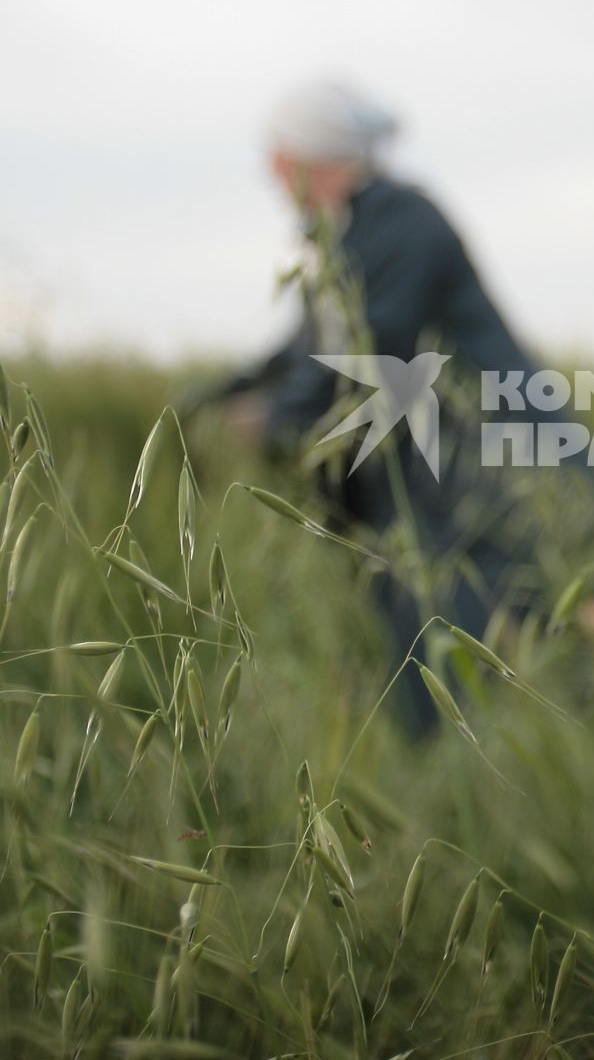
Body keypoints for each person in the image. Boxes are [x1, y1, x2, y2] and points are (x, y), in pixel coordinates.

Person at [203, 78, 552, 731]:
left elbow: (368, 351)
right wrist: (206, 400)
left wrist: (274, 420)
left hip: (487, 481)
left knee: (464, 673)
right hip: (426, 485)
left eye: (277, 154)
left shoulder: (401, 223)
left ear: (312, 157)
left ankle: (470, 805)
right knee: (435, 659)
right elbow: (301, 347)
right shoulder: (350, 232)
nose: (270, 172)